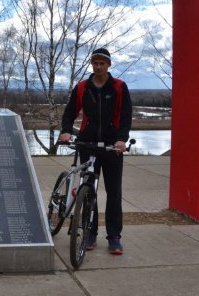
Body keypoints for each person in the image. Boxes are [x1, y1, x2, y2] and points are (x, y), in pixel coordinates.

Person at [59, 48, 132, 255]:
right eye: (95, 63)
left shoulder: (118, 87)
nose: (98, 67)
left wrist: (121, 139)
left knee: (113, 192)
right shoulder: (82, 87)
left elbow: (126, 116)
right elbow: (69, 111)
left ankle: (114, 237)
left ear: (109, 65)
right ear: (92, 64)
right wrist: (65, 131)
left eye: (102, 63)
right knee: (88, 190)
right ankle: (90, 232)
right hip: (88, 144)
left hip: (111, 147)